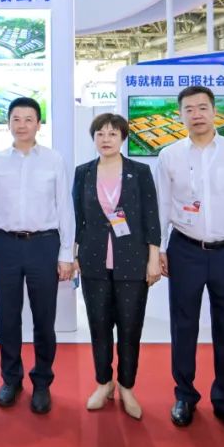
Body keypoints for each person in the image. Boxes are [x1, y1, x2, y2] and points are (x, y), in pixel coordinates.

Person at [156, 86, 224, 441]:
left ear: (214, 111)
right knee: (183, 326)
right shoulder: (169, 155)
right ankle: (184, 396)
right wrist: (159, 249)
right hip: (184, 250)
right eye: (189, 109)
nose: (197, 114)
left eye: (202, 107)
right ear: (180, 115)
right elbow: (162, 205)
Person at [0, 97, 75, 415]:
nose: (22, 125)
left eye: (28, 119)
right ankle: (11, 379)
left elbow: (65, 208)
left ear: (38, 124)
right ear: (8, 124)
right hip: (5, 245)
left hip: (44, 244)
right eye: (16, 119)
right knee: (8, 317)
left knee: (44, 319)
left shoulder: (54, 160)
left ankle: (42, 381)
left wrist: (66, 253)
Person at [71, 113, 161, 418]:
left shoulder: (140, 171)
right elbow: (76, 218)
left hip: (132, 262)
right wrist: (73, 255)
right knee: (99, 327)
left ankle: (126, 386)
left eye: (112, 134)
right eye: (100, 134)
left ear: (123, 137)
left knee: (130, 328)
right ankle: (103, 383)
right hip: (93, 261)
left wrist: (153, 260)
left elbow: (151, 217)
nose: (106, 139)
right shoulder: (83, 172)